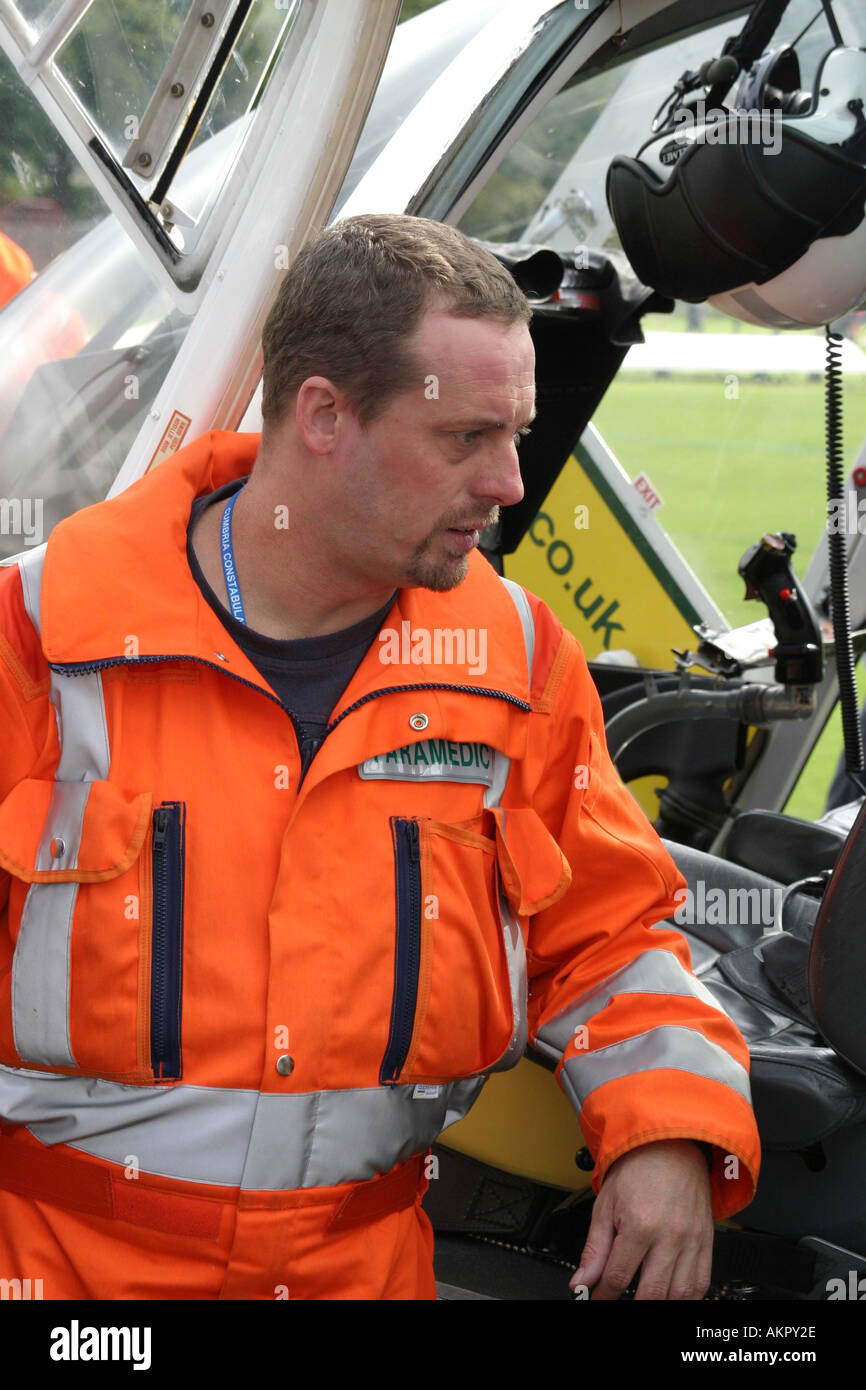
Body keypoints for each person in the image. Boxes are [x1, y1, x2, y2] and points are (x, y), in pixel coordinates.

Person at [0, 214, 759, 1301]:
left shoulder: (518, 665)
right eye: (466, 439)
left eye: (518, 433)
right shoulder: (37, 637)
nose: (508, 482)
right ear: (322, 416)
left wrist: (669, 1132)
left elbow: (607, 934)